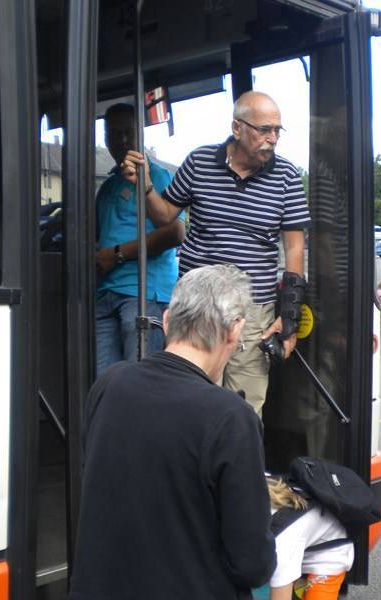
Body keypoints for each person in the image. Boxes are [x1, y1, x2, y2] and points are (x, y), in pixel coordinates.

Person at [69, 264, 277, 600]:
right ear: (235, 330)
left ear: (166, 320)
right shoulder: (231, 417)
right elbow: (253, 564)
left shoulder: (109, 383)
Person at [121, 91, 310, 414]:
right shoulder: (199, 162)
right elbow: (164, 216)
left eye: (277, 130)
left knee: (245, 406)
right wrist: (146, 186)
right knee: (188, 400)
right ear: (237, 128)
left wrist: (289, 316)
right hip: (197, 303)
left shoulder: (287, 176)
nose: (273, 139)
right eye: (264, 130)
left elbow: (294, 247)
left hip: (252, 310)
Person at [94, 103, 185, 376]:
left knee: (140, 383)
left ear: (141, 134)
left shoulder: (156, 176)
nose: (122, 140)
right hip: (106, 294)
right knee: (105, 383)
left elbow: (175, 232)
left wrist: (117, 254)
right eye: (113, 134)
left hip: (143, 294)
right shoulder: (108, 185)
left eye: (128, 132)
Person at [256, 478, 354, 600]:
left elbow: (281, 597)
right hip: (300, 542)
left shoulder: (282, 543)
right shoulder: (255, 487)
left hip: (327, 555)